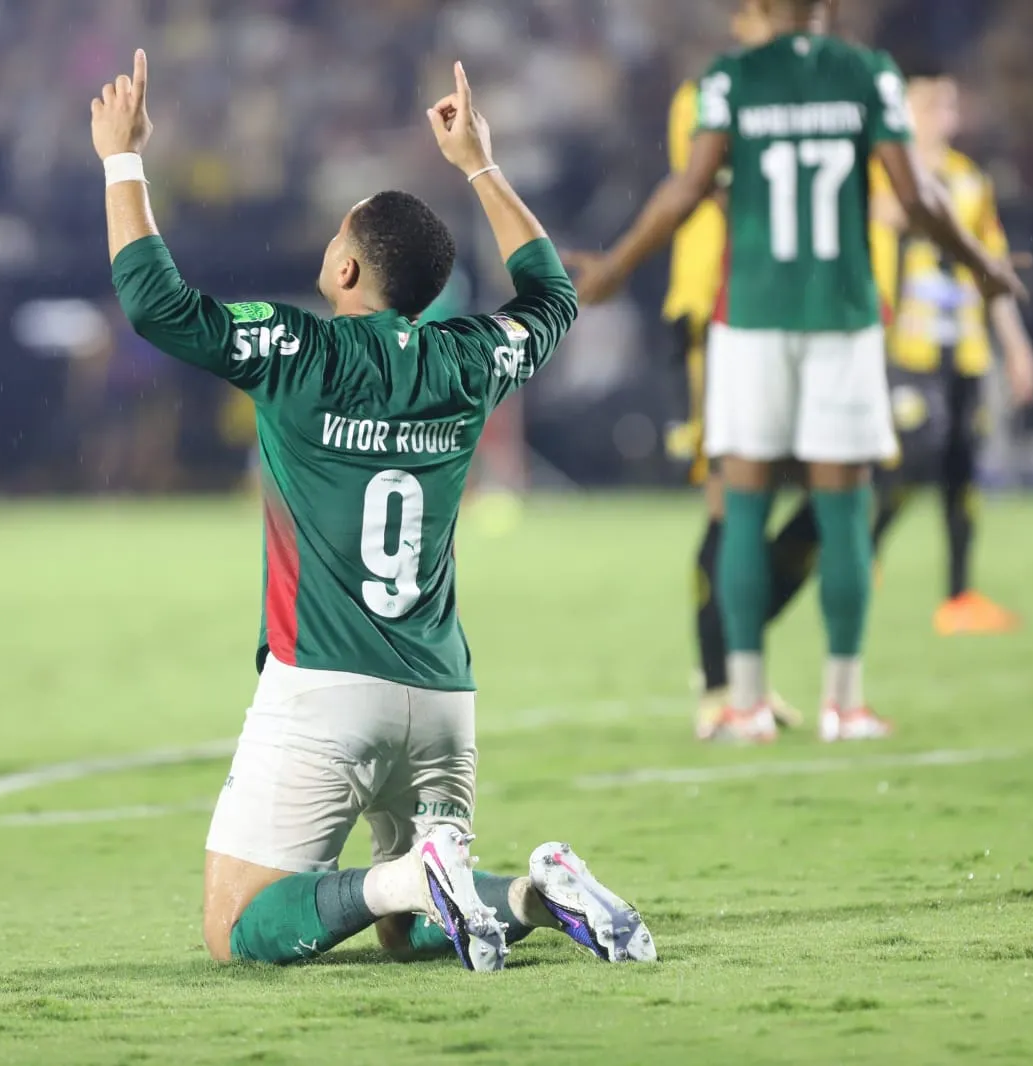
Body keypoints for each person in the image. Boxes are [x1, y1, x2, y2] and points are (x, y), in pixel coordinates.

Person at [92, 51, 655, 970]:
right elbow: (555, 297)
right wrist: (480, 164)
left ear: (347, 266)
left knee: (236, 927)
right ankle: (533, 894)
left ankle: (410, 877)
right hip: (442, 695)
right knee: (414, 934)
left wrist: (123, 158)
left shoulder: (298, 352)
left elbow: (156, 306)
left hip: (324, 688)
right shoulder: (468, 359)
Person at [574, 0, 1025, 743]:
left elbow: (688, 189)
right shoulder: (868, 75)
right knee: (844, 509)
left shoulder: (729, 79)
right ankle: (843, 704)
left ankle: (744, 701)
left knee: (744, 505)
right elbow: (916, 194)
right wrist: (984, 267)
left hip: (749, 318)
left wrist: (617, 267)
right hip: (840, 316)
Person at [658, 0, 818, 740]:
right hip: (722, 314)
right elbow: (715, 188)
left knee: (843, 497)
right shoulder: (705, 95)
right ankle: (721, 681)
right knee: (732, 500)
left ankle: (740, 664)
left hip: (802, 316)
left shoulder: (817, 93)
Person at [867, 62, 1033, 635]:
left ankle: (959, 597)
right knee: (916, 452)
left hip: (964, 349)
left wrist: (1017, 348)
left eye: (949, 105)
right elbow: (886, 215)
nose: (945, 116)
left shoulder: (970, 181)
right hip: (906, 346)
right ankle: (863, 547)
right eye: (932, 105)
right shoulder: (881, 173)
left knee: (962, 469)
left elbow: (993, 271)